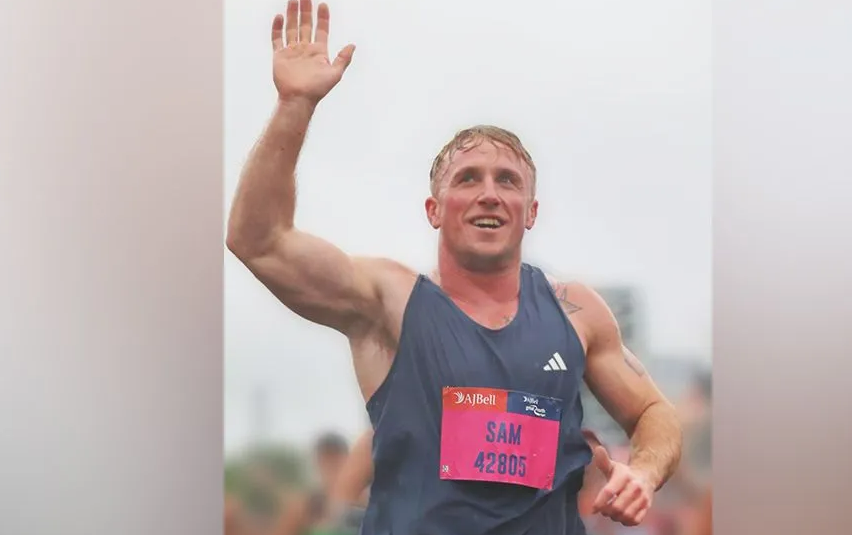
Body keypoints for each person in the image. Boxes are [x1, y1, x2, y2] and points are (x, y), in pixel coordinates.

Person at [226, 2, 684, 534]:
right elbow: (257, 241)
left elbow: (655, 413)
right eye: (468, 179)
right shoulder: (389, 301)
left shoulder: (576, 312)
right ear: (434, 209)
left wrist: (644, 473)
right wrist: (294, 105)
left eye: (507, 181)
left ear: (531, 212)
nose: (489, 194)